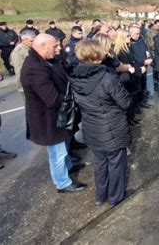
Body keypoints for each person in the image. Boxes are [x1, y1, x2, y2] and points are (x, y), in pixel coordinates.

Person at [21, 34, 87, 192]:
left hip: (58, 116)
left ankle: (68, 166)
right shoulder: (34, 68)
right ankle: (62, 183)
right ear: (42, 46)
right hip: (48, 119)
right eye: (54, 46)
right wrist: (76, 102)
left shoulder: (46, 60)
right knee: (57, 153)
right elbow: (52, 99)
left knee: (63, 146)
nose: (58, 49)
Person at [71, 40, 133, 207]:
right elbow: (125, 102)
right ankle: (115, 197)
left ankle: (100, 195)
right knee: (116, 163)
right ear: (97, 55)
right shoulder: (107, 77)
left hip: (91, 126)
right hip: (112, 127)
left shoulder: (74, 76)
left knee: (100, 163)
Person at [114, 29, 142, 125]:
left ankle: (131, 117)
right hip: (126, 78)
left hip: (132, 76)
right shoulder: (119, 52)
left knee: (132, 99)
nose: (129, 38)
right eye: (127, 36)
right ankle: (128, 119)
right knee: (128, 99)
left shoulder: (128, 48)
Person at [129, 26, 153, 108]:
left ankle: (143, 100)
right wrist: (143, 61)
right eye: (137, 34)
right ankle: (138, 104)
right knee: (137, 86)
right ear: (131, 33)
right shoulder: (129, 43)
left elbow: (147, 49)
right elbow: (132, 57)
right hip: (136, 67)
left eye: (139, 33)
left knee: (143, 84)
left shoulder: (141, 40)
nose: (138, 35)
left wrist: (149, 56)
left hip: (144, 66)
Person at [11, 30, 36, 97]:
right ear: (24, 40)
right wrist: (23, 88)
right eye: (31, 41)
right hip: (27, 87)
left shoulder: (31, 48)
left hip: (35, 82)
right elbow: (20, 72)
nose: (33, 42)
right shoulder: (18, 53)